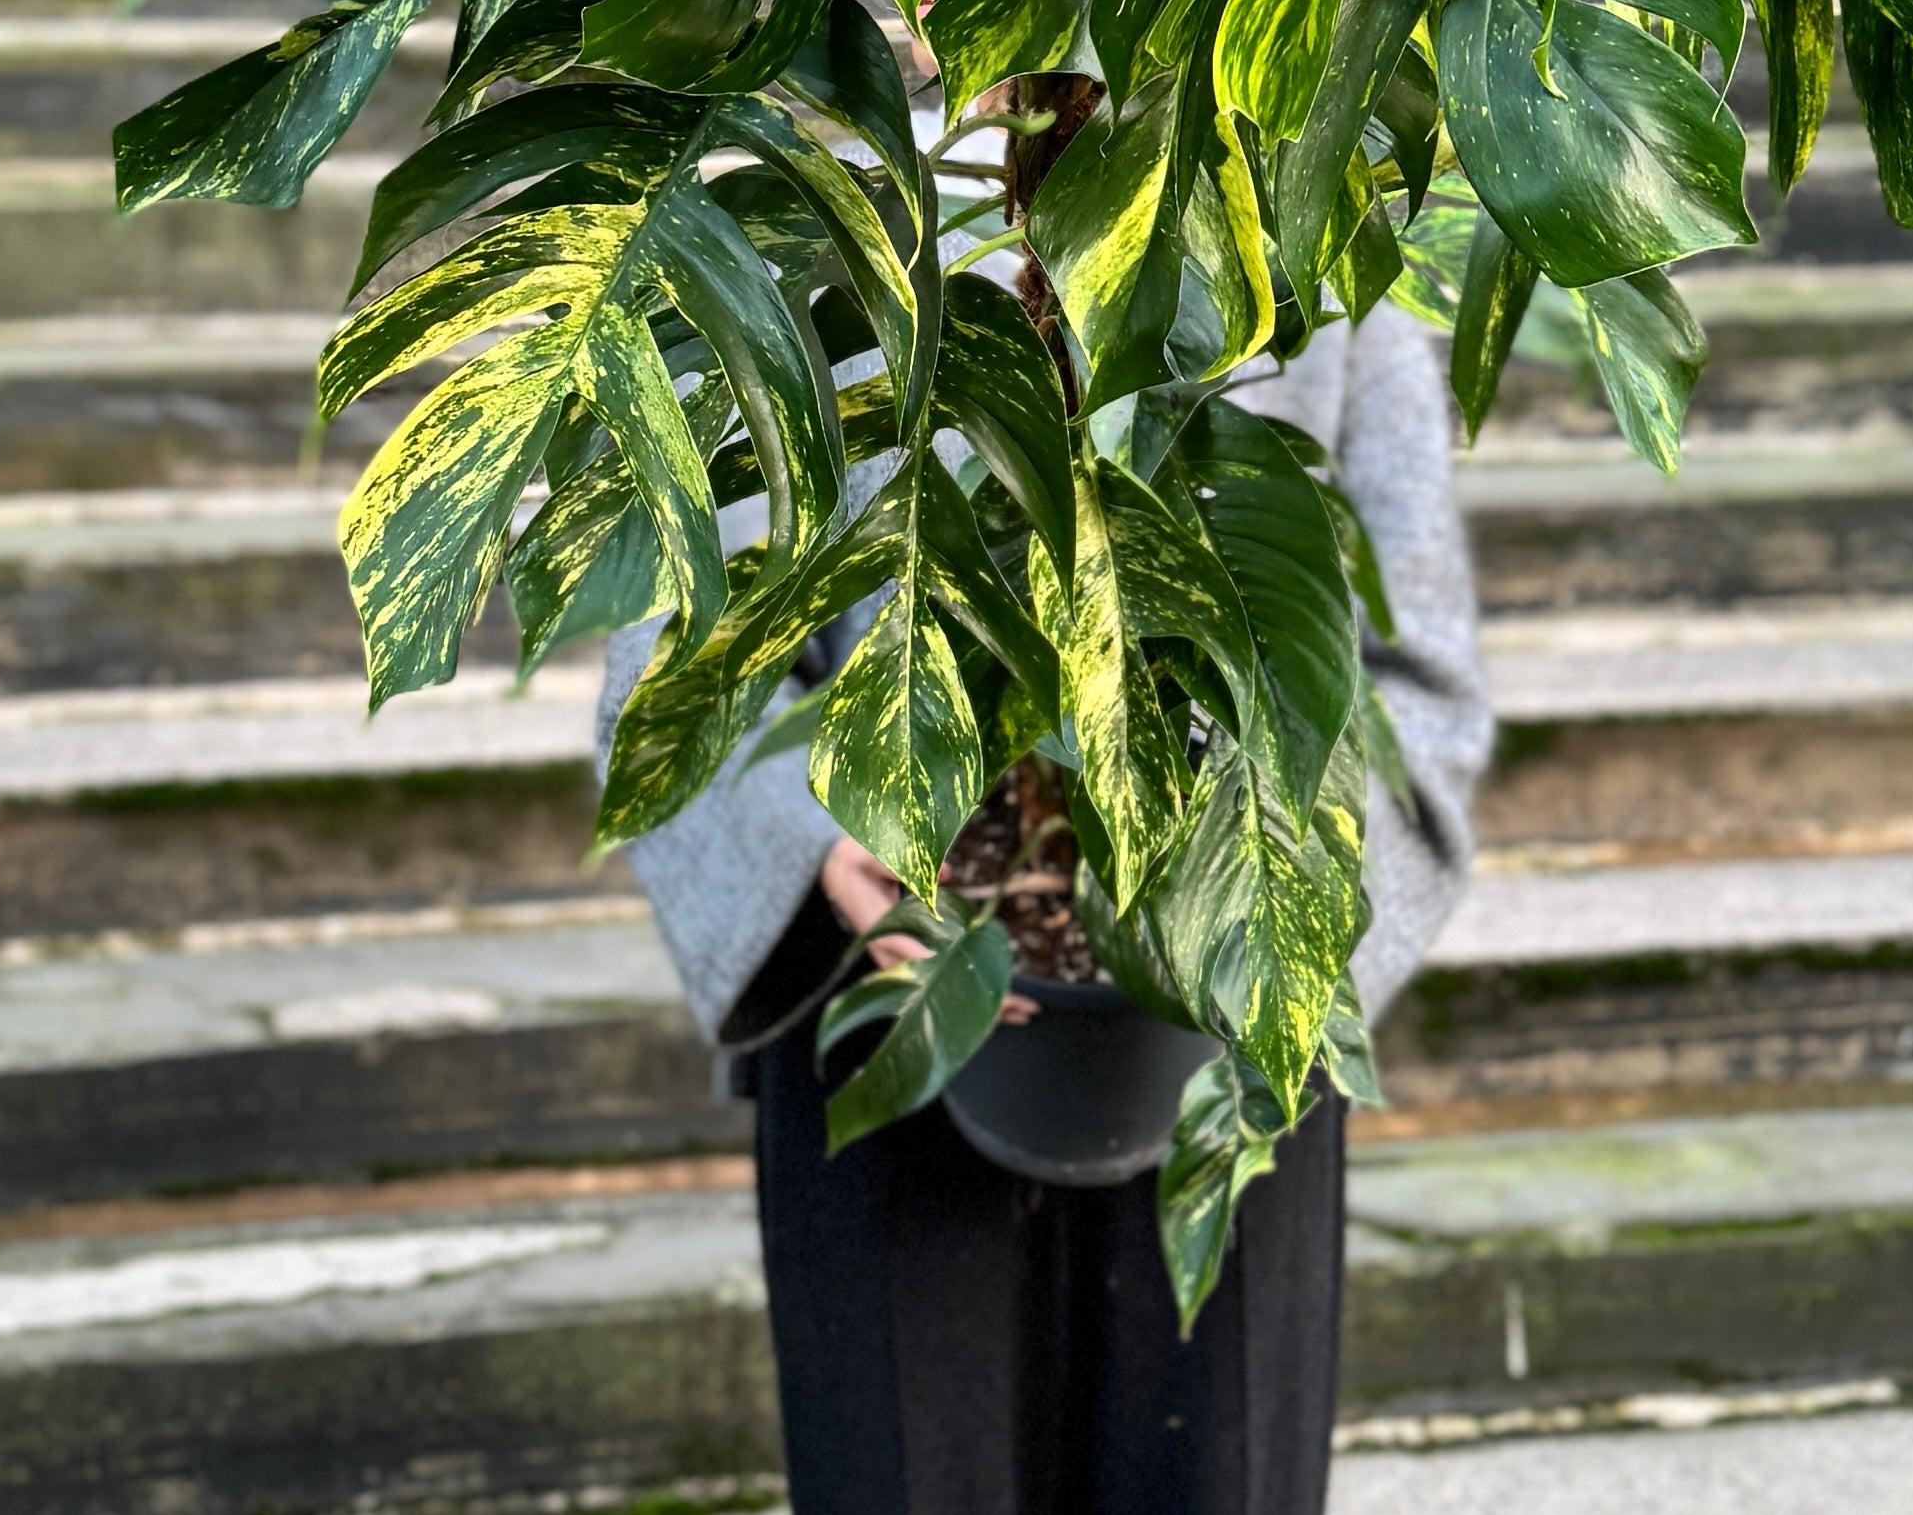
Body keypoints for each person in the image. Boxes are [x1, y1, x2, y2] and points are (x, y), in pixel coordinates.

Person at [595, 302, 1492, 1515]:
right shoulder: (804, 239)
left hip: (1232, 1023)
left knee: (1215, 1469)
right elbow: (675, 657)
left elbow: (1422, 681)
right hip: (889, 994)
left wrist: (1266, 916)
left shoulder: (1302, 247)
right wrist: (818, 852)